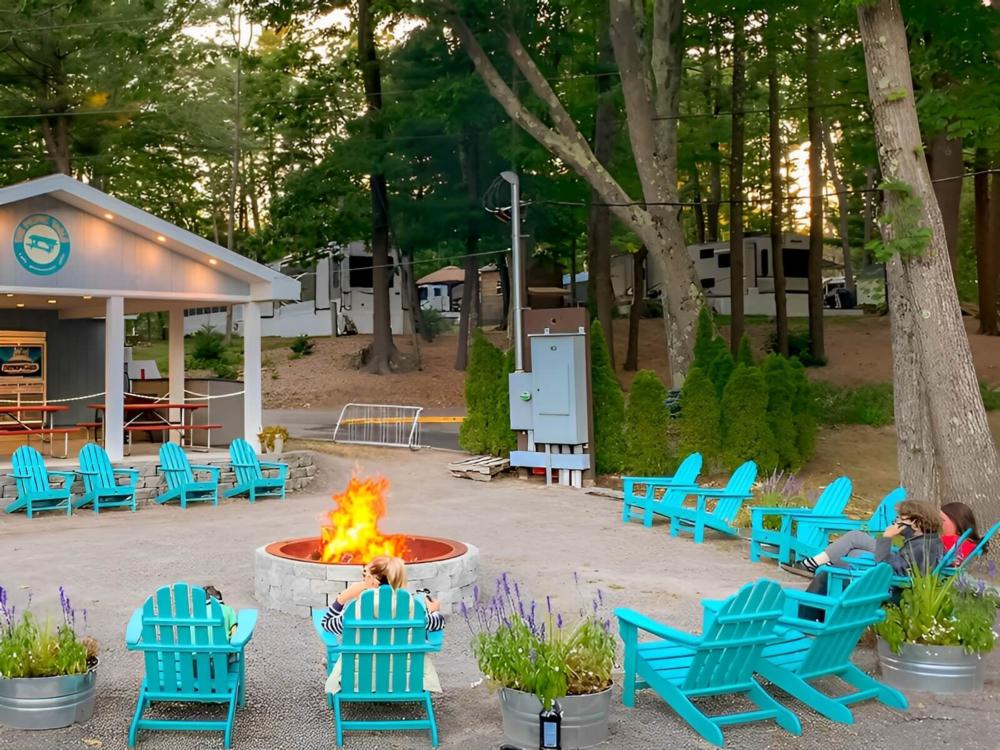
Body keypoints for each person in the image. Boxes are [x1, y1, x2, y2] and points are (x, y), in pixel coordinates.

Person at [781, 500, 977, 577]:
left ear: (958, 522)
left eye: (943, 520)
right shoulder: (935, 541)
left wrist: (887, 537)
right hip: (895, 559)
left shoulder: (947, 543)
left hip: (886, 570)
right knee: (855, 547)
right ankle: (816, 565)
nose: (940, 524)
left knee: (855, 541)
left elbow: (888, 565)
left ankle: (813, 565)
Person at [320, 555, 444, 636]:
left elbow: (327, 624)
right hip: (404, 671)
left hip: (361, 671)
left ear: (373, 580)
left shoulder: (357, 609)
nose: (363, 579)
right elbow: (438, 623)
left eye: (365, 575)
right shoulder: (412, 608)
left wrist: (343, 597)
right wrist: (433, 612)